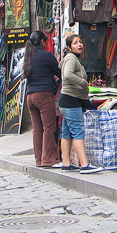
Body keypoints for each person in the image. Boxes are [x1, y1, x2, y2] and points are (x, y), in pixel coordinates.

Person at [58, 34, 99, 174]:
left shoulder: (73, 59)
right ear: (69, 47)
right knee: (78, 131)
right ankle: (84, 164)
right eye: (75, 43)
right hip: (71, 101)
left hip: (67, 100)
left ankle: (66, 163)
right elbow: (67, 75)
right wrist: (83, 83)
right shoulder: (71, 59)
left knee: (67, 133)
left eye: (80, 42)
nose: (79, 45)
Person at [23, 31, 61, 168]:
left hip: (30, 96)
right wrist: (55, 85)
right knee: (49, 127)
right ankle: (49, 159)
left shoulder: (28, 56)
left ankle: (39, 159)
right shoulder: (46, 55)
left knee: (37, 129)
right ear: (43, 42)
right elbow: (59, 72)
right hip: (44, 95)